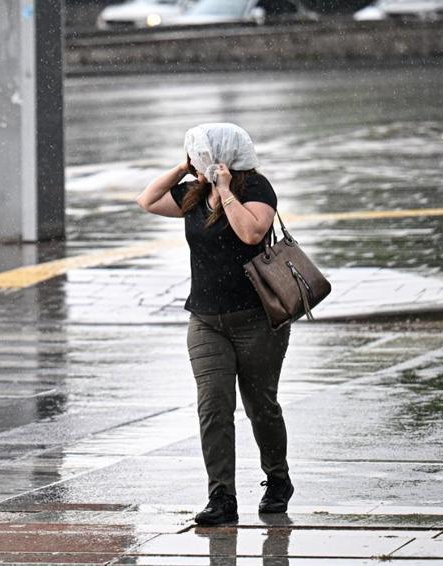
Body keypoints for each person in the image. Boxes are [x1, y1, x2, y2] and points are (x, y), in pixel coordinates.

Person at [136, 123, 293, 525]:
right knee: (213, 407)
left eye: (205, 152)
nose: (200, 160)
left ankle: (277, 479)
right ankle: (221, 497)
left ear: (228, 155)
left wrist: (224, 190)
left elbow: (251, 231)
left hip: (258, 320)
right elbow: (147, 200)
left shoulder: (256, 189)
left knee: (262, 407)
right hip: (206, 320)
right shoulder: (192, 194)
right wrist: (184, 168)